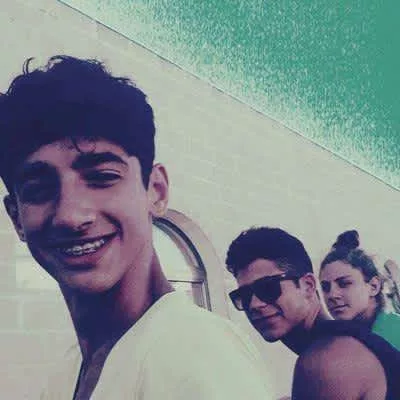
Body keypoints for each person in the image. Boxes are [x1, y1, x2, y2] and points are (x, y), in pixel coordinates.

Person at [0, 56, 273, 400]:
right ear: (16, 217)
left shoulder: (196, 356)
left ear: (155, 191)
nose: (70, 215)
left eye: (102, 177)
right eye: (38, 190)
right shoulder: (70, 371)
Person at [226, 226, 400, 400]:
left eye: (268, 288)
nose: (255, 304)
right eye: (244, 296)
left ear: (308, 285)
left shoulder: (328, 360)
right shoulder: (346, 342)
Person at [319, 230, 400, 350]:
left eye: (344, 284)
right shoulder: (339, 340)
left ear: (374, 286)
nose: (332, 295)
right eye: (326, 287)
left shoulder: (395, 331)